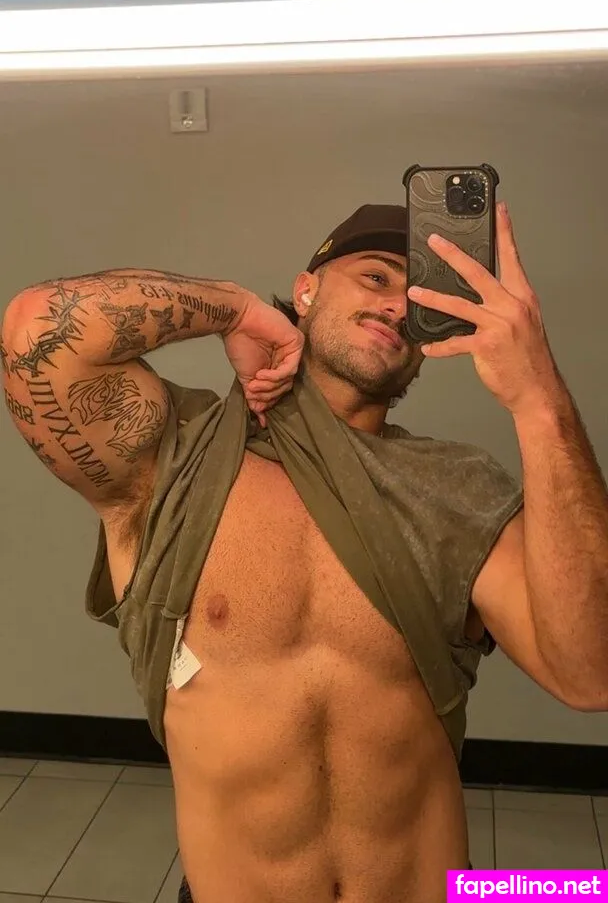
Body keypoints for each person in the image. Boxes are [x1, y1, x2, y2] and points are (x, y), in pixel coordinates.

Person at [2, 202, 607, 903]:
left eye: (421, 298)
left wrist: (537, 398)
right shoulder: (174, 459)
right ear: (307, 289)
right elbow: (35, 329)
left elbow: (591, 676)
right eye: (376, 276)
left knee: (577, 893)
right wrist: (235, 310)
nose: (397, 305)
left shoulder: (460, 490)